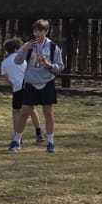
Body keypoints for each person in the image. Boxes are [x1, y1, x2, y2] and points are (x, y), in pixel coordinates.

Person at [11, 19, 63, 152]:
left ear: (46, 31)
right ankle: (16, 141)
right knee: (24, 113)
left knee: (48, 113)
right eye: (35, 31)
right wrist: (24, 49)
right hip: (30, 83)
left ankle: (50, 143)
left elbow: (60, 67)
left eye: (40, 31)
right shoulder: (29, 45)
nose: (37, 33)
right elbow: (17, 61)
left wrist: (48, 65)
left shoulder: (53, 47)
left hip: (47, 83)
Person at [0, 39, 42, 149]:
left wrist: (14, 85)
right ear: (16, 49)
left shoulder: (4, 63)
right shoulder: (23, 60)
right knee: (32, 110)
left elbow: (6, 78)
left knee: (16, 112)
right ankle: (39, 134)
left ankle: (18, 137)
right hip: (28, 86)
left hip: (17, 89)